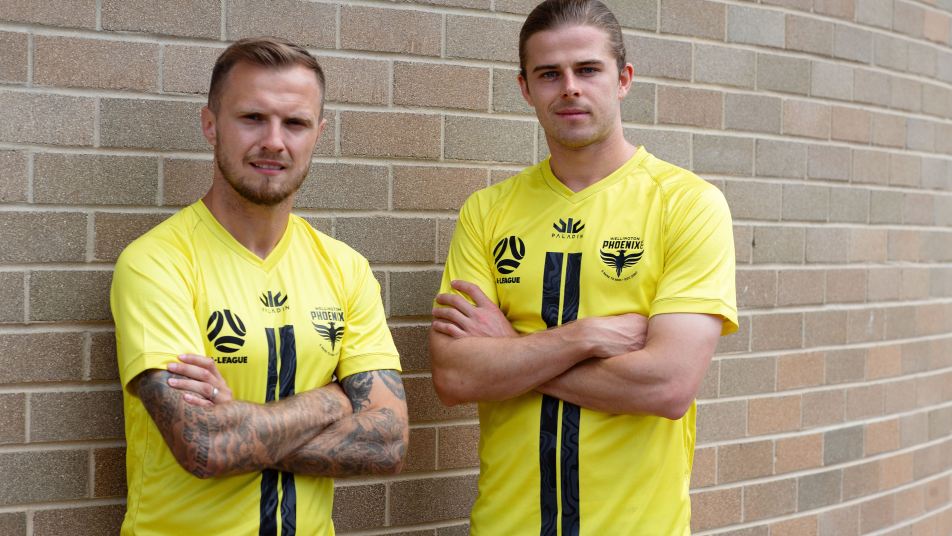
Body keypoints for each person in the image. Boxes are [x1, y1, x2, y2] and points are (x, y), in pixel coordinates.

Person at [429, 1, 737, 533]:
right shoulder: (487, 211)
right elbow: (455, 375)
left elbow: (667, 386)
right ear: (526, 88)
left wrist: (511, 350)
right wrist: (583, 337)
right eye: (549, 74)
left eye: (588, 69)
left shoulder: (687, 204)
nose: (569, 88)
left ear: (623, 79)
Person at [110, 37, 408, 535]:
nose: (274, 141)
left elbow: (388, 444)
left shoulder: (345, 268)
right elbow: (205, 446)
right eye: (252, 118)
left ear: (319, 134)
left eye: (295, 123)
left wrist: (240, 425)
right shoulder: (157, 263)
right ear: (210, 125)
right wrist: (334, 400)